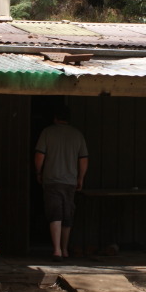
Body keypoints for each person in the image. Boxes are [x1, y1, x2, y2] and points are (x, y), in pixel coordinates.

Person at [34, 104, 88, 261]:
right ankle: (65, 249)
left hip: (52, 179)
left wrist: (38, 172)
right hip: (70, 181)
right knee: (67, 215)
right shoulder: (77, 135)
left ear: (55, 118)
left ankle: (56, 250)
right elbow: (83, 159)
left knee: (55, 214)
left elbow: (39, 155)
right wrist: (80, 178)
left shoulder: (47, 132)